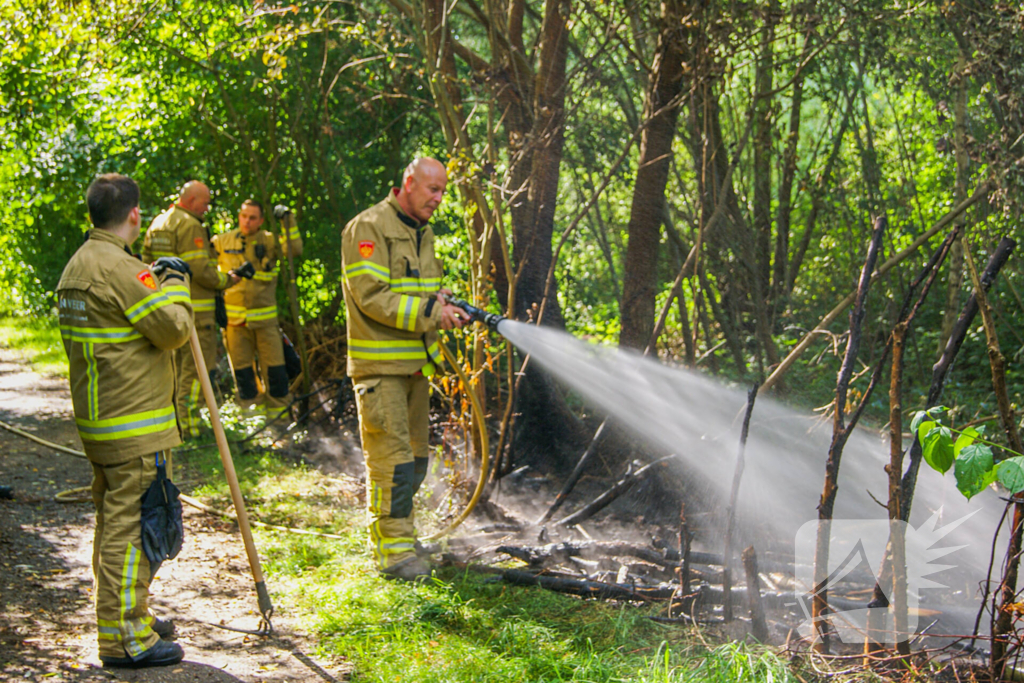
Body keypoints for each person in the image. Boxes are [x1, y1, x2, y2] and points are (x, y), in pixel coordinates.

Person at [57, 174, 193, 668]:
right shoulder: (121, 268)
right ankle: (124, 638)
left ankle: (127, 613)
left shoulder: (78, 266)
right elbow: (174, 329)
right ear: (134, 214)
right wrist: (175, 281)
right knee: (132, 531)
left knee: (114, 526)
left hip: (102, 423)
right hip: (134, 425)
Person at [341, 157, 467, 581]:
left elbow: (419, 290)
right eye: (432, 189)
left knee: (414, 461)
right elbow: (372, 296)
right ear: (408, 183)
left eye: (443, 191)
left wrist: (443, 302)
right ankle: (393, 555)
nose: (438, 199)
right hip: (380, 367)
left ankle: (401, 536)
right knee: (392, 462)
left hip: (414, 366)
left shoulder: (422, 232)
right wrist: (432, 311)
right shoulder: (368, 228)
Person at [142, 181, 240, 439]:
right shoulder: (190, 225)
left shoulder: (159, 222)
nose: (207, 208)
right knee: (197, 370)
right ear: (192, 200)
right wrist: (227, 280)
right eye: (205, 202)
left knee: (173, 369)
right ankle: (190, 427)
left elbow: (145, 264)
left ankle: (173, 422)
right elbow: (200, 270)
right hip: (196, 311)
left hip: (166, 311)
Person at [212, 200, 303, 421]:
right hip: (235, 324)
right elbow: (204, 271)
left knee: (276, 375)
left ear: (261, 221)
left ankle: (281, 424)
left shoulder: (270, 241)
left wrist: (288, 221)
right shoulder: (222, 242)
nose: (247, 221)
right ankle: (252, 425)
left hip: (266, 324)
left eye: (253, 218)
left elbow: (295, 250)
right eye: (244, 216)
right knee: (244, 376)